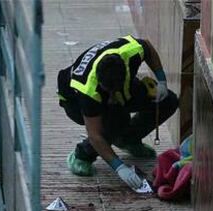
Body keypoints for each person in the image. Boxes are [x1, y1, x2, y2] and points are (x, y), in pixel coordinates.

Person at [56, 35, 178, 190]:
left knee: (168, 101)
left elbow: (147, 46)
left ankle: (128, 139)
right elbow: (95, 135)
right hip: (73, 101)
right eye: (110, 92)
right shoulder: (88, 90)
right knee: (115, 121)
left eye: (116, 91)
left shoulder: (129, 52)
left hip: (121, 85)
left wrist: (161, 81)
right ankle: (82, 155)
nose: (113, 97)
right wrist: (119, 167)